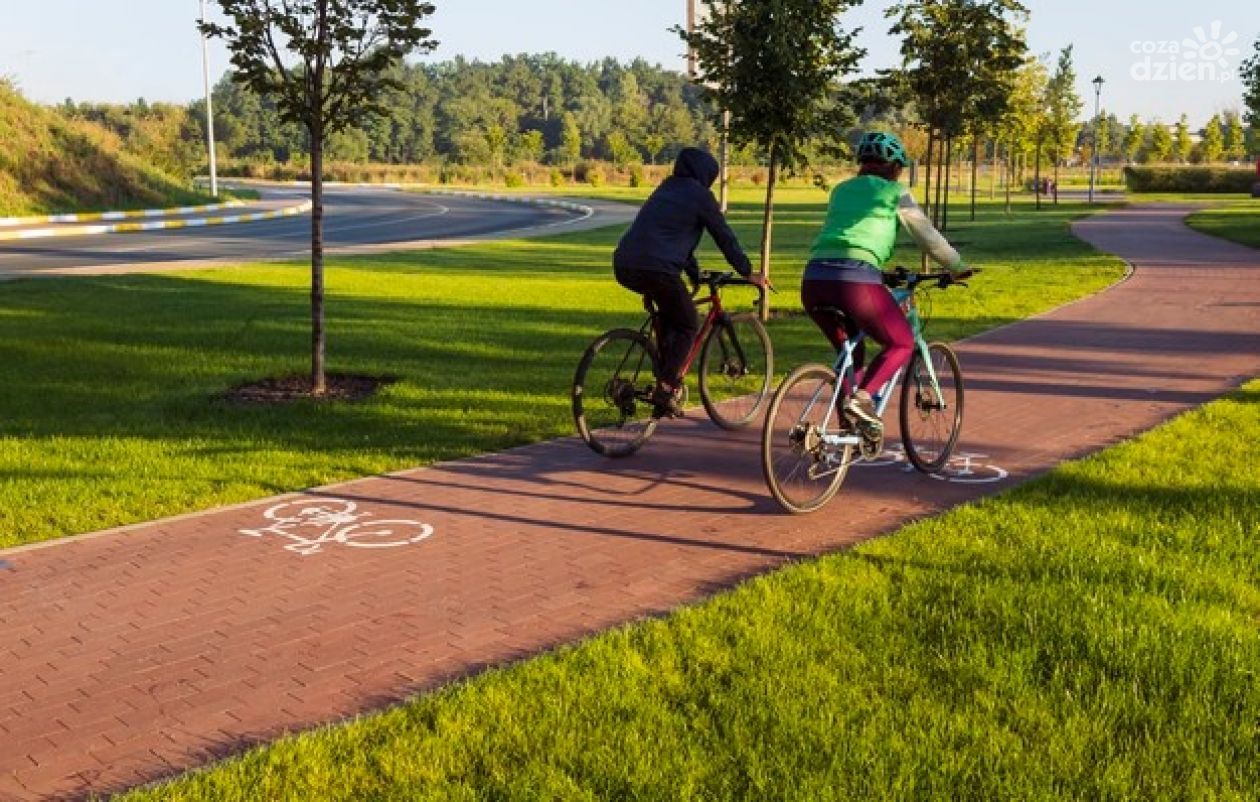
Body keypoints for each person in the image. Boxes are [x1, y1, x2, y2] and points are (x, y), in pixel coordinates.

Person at [802, 131, 967, 431]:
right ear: (894, 167)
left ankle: (847, 431)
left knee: (851, 355)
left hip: (814, 279)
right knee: (901, 342)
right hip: (854, 280)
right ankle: (862, 399)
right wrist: (957, 266)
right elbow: (928, 238)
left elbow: (849, 232)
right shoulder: (894, 193)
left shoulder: (840, 190)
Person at [613, 147, 767, 418]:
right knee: (688, 324)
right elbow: (724, 236)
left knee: (670, 311)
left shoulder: (665, 189)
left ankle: (661, 368)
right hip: (658, 268)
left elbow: (674, 241)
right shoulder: (700, 196)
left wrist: (694, 274)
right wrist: (746, 272)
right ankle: (667, 386)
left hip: (625, 264)